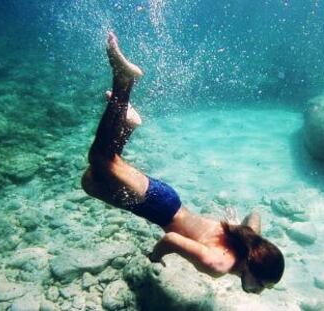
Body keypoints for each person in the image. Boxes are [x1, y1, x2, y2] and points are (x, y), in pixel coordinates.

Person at [81, 32, 284, 294]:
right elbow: (172, 238)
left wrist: (243, 229)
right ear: (252, 268)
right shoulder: (218, 264)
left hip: (165, 202)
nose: (259, 290)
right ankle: (124, 80)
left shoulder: (248, 239)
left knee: (92, 181)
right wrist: (155, 256)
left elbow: (255, 215)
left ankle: (128, 125)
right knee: (101, 160)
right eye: (262, 285)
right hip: (156, 205)